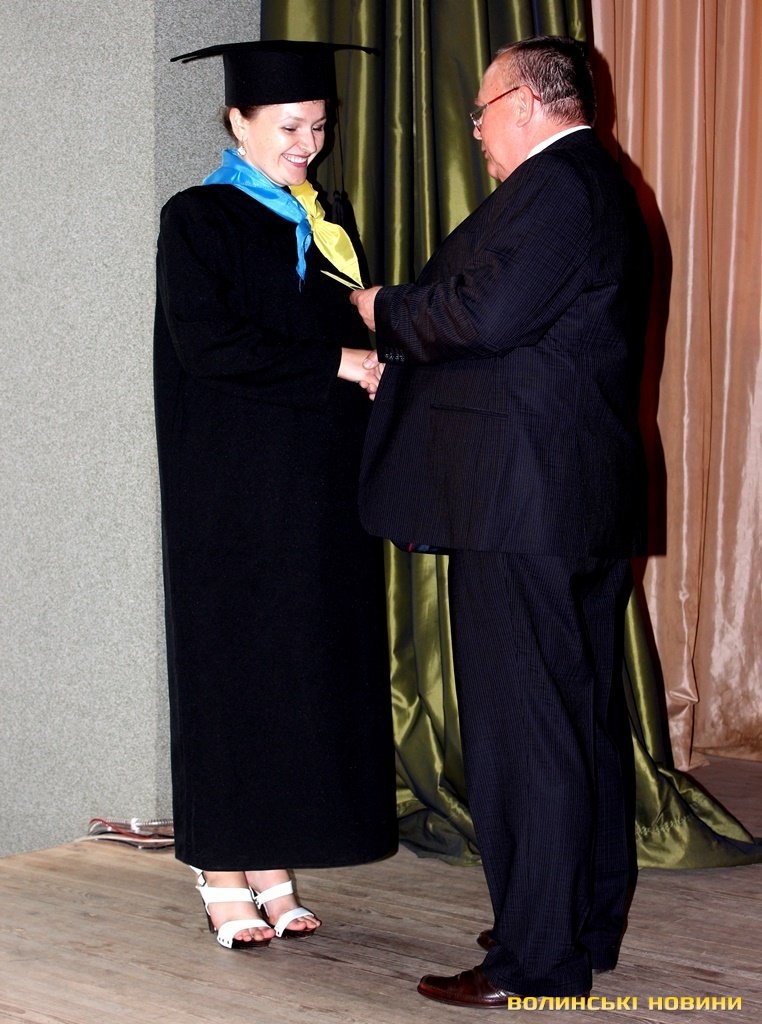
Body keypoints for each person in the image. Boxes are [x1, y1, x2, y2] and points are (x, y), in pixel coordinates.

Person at [350, 36, 652, 1004]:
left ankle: (537, 960)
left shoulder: (563, 188)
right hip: (564, 502)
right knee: (578, 722)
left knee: (529, 734)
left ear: (523, 103)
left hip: (526, 506)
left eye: (482, 112)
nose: (476, 132)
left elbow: (481, 316)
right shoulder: (594, 184)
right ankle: (574, 920)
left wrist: (384, 308)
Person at [154, 39, 397, 952]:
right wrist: (338, 360)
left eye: (319, 127)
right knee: (231, 670)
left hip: (314, 488)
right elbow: (209, 345)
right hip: (229, 491)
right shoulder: (197, 217)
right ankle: (220, 867)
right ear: (237, 122)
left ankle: (271, 862)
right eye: (290, 127)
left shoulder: (325, 217)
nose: (308, 144)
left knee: (297, 669)